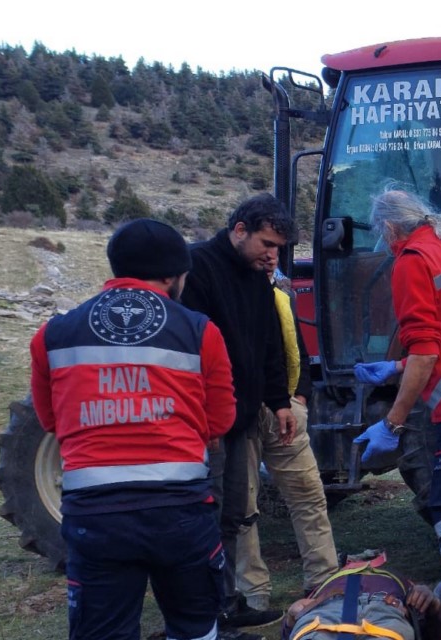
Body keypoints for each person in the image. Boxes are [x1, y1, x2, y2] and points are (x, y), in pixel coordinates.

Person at [28, 218, 236, 640]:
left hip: (95, 518)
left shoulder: (52, 334)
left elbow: (51, 422)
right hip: (179, 512)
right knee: (195, 628)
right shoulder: (200, 331)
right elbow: (220, 421)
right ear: (172, 275)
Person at [354, 188, 441, 640]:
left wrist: (392, 422)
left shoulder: (414, 259)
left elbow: (428, 350)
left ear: (392, 227)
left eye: (383, 233)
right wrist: (397, 365)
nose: (385, 241)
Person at [181, 193, 298, 635]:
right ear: (239, 230)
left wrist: (281, 401)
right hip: (207, 423)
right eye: (267, 244)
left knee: (232, 515)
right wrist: (205, 420)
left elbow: (268, 343)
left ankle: (227, 605)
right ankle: (203, 614)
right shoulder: (198, 269)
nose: (273, 255)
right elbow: (191, 354)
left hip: (242, 418)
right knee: (205, 515)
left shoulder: (257, 277)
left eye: (279, 249)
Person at [233, 264, 339, 613]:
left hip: (286, 411)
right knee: (242, 506)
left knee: (308, 494)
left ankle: (324, 582)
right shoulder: (225, 303)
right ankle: (253, 594)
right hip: (241, 415)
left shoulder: (282, 300)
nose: (269, 264)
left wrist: (300, 399)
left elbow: (299, 351)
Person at [280, 555, 441, 640]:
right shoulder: (329, 582)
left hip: (383, 612)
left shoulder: (401, 581)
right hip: (326, 612)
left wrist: (434, 604)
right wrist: (290, 618)